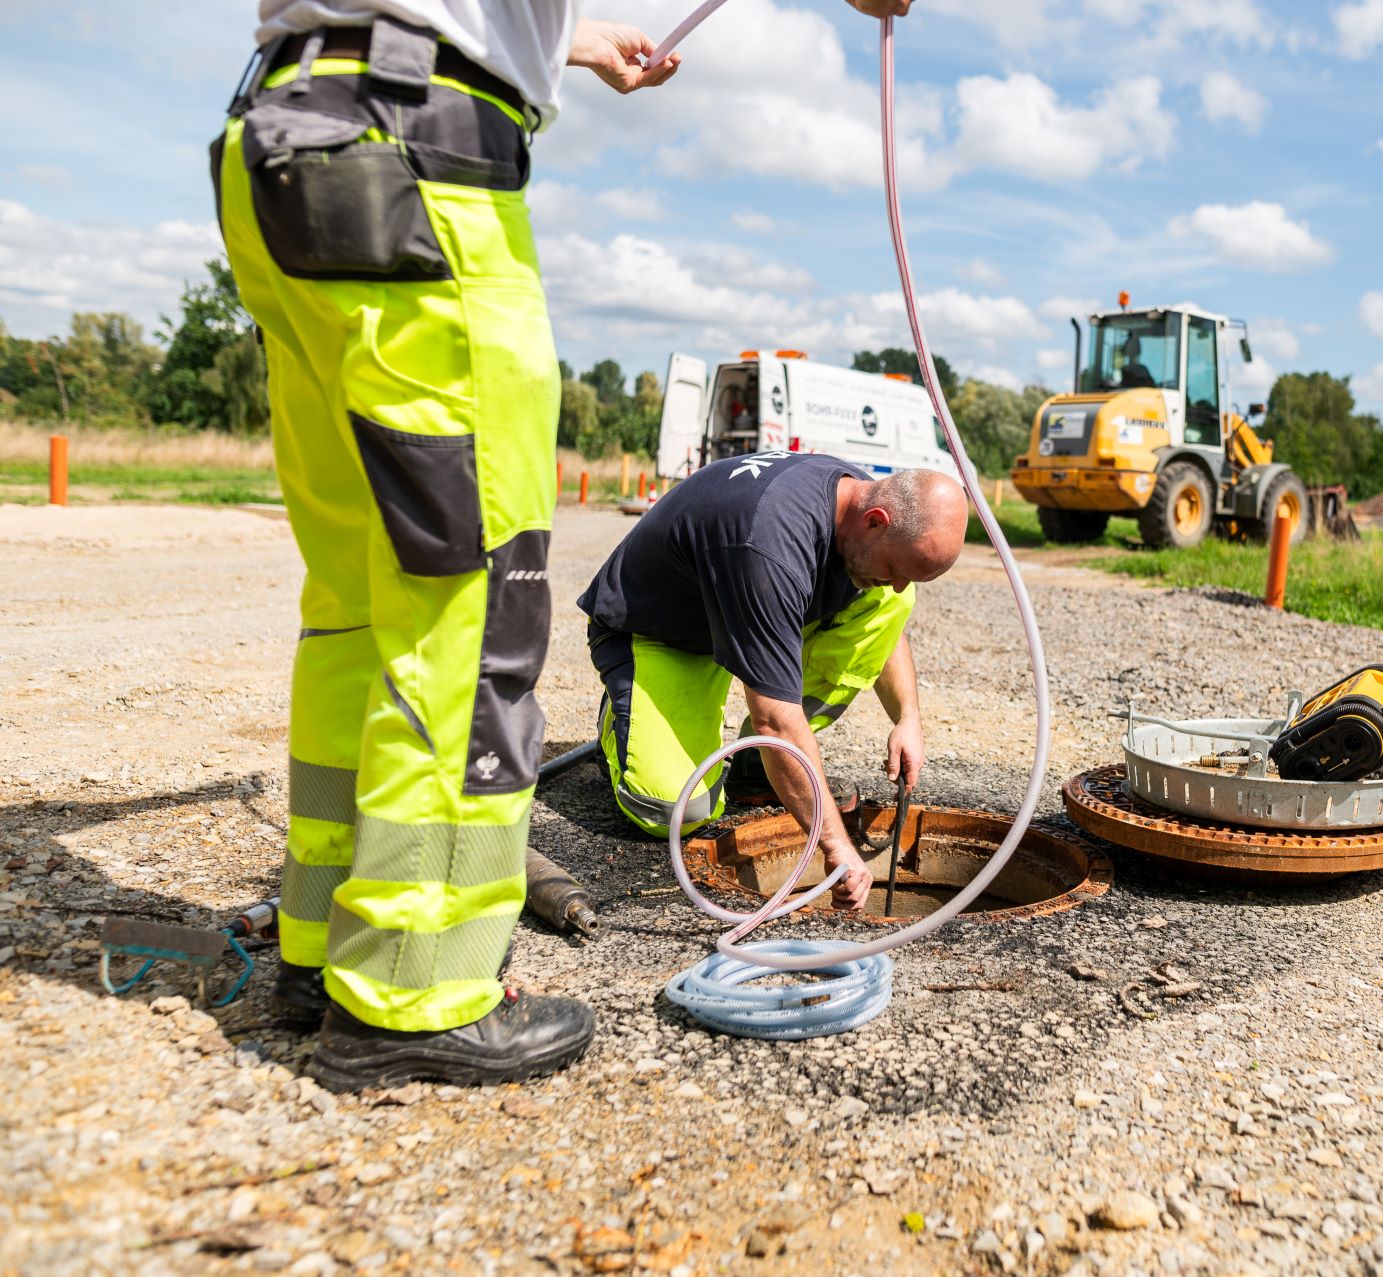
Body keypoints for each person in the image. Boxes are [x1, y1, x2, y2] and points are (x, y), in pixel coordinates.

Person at [215, 0, 914, 1093]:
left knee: (364, 596)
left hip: (288, 136)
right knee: (473, 605)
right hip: (420, 163)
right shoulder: (785, 516)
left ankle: (324, 955)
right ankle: (410, 992)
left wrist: (571, 39)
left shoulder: (848, 519)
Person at [576, 455, 969, 912]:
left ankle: (757, 768)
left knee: (883, 601)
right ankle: (619, 718)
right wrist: (835, 846)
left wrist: (908, 718)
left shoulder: (863, 507)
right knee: (673, 811)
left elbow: (887, 622)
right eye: (897, 568)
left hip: (751, 611)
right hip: (665, 634)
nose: (897, 584)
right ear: (875, 521)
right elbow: (776, 723)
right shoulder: (767, 546)